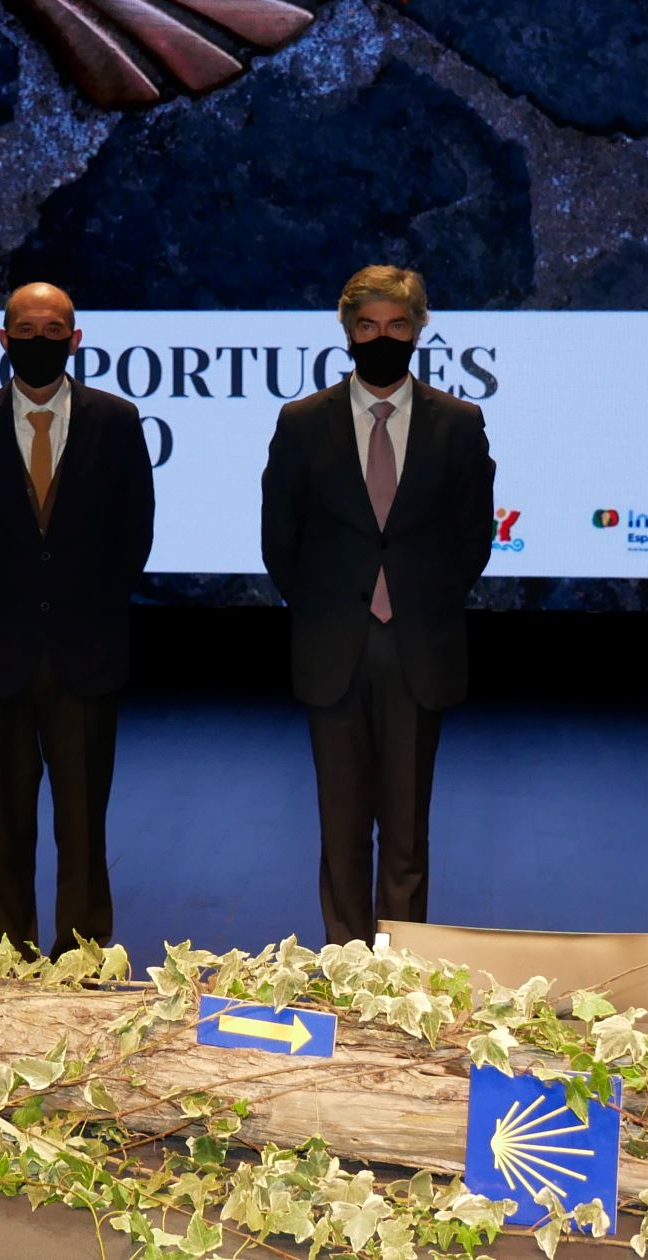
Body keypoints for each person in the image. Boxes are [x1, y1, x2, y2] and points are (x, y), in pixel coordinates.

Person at [260, 266, 495, 948]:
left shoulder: (459, 423)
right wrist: (329, 611)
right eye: (368, 327)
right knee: (340, 828)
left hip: (419, 646)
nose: (382, 339)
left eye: (397, 326)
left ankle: (400, 966)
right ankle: (345, 962)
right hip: (334, 646)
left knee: (406, 830)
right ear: (347, 332)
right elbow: (280, 539)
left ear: (418, 331)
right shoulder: (303, 422)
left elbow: (472, 539)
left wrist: (418, 602)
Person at [0, 283, 156, 954]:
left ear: (75, 339)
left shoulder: (116, 420)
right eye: (25, 330)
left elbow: (133, 533)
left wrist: (85, 612)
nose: (39, 340)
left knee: (84, 823)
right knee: (2, 821)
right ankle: (11, 953)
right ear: (3, 340)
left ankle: (82, 957)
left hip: (86, 652)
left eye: (53, 329)